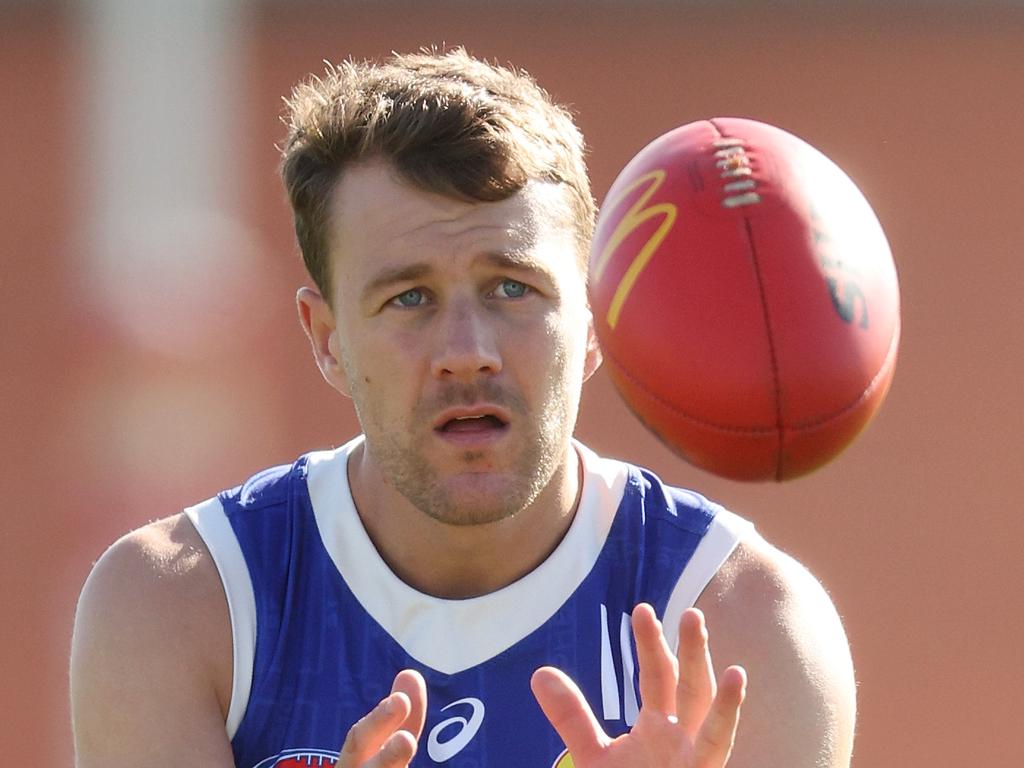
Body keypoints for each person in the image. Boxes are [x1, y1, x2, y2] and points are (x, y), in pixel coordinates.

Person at [70, 48, 856, 768]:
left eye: (512, 287)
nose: (467, 349)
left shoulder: (744, 626)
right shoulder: (181, 606)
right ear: (328, 338)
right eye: (408, 297)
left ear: (593, 322)